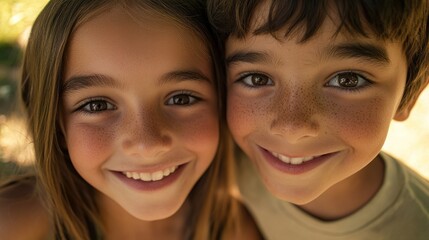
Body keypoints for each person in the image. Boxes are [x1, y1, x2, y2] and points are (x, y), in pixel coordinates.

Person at [1, 0, 262, 239]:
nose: (147, 145)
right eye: (97, 105)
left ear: (222, 102)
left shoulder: (234, 230)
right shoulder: (14, 223)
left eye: (181, 99)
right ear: (57, 125)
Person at [207, 0, 429, 239]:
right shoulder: (220, 163)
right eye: (257, 79)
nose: (292, 127)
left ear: (409, 94)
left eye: (348, 80)